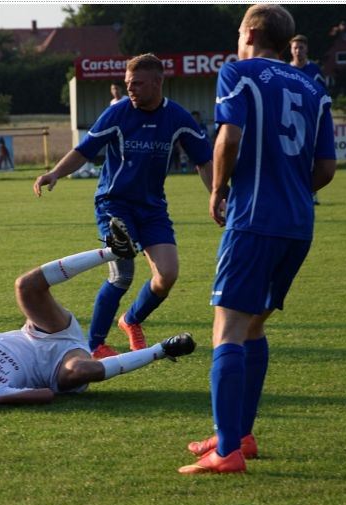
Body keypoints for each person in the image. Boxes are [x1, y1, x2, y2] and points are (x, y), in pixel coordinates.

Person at [178, 4, 336, 475]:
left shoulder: (238, 73)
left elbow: (228, 137)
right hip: (298, 225)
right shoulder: (313, 86)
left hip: (252, 219)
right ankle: (240, 436)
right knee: (254, 327)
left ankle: (225, 452)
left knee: (227, 328)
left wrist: (219, 189)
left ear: (248, 31)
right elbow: (326, 168)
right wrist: (291, 193)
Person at [33, 53, 213, 360]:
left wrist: (217, 195)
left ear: (158, 82)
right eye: (128, 84)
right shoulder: (117, 113)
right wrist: (55, 173)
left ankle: (131, 320)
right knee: (121, 274)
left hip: (153, 207)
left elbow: (204, 161)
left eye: (138, 84)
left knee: (167, 276)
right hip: (113, 204)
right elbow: (85, 150)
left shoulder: (177, 117)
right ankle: (96, 345)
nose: (131, 89)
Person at [0, 218, 196, 411]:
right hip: (58, 366)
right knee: (83, 370)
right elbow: (47, 394)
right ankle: (163, 350)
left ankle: (114, 251)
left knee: (25, 286)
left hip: (44, 331)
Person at [289, 34, 325, 204]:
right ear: (290, 50)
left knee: (310, 157)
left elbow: (323, 96)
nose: (298, 51)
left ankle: (311, 192)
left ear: (306, 49)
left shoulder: (315, 71)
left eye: (301, 47)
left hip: (309, 120)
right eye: (295, 47)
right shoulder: (285, 70)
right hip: (289, 123)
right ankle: (291, 193)